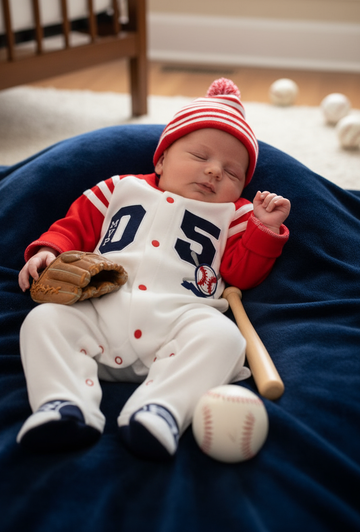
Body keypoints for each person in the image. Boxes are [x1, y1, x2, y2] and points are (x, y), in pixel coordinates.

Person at [16, 78, 291, 460]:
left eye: (232, 173)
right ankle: (64, 405)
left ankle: (160, 409)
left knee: (226, 341)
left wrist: (266, 229)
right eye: (199, 157)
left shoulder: (237, 214)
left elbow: (243, 274)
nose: (214, 172)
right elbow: (74, 225)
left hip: (180, 319)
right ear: (161, 160)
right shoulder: (119, 188)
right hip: (99, 307)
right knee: (43, 321)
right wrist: (49, 249)